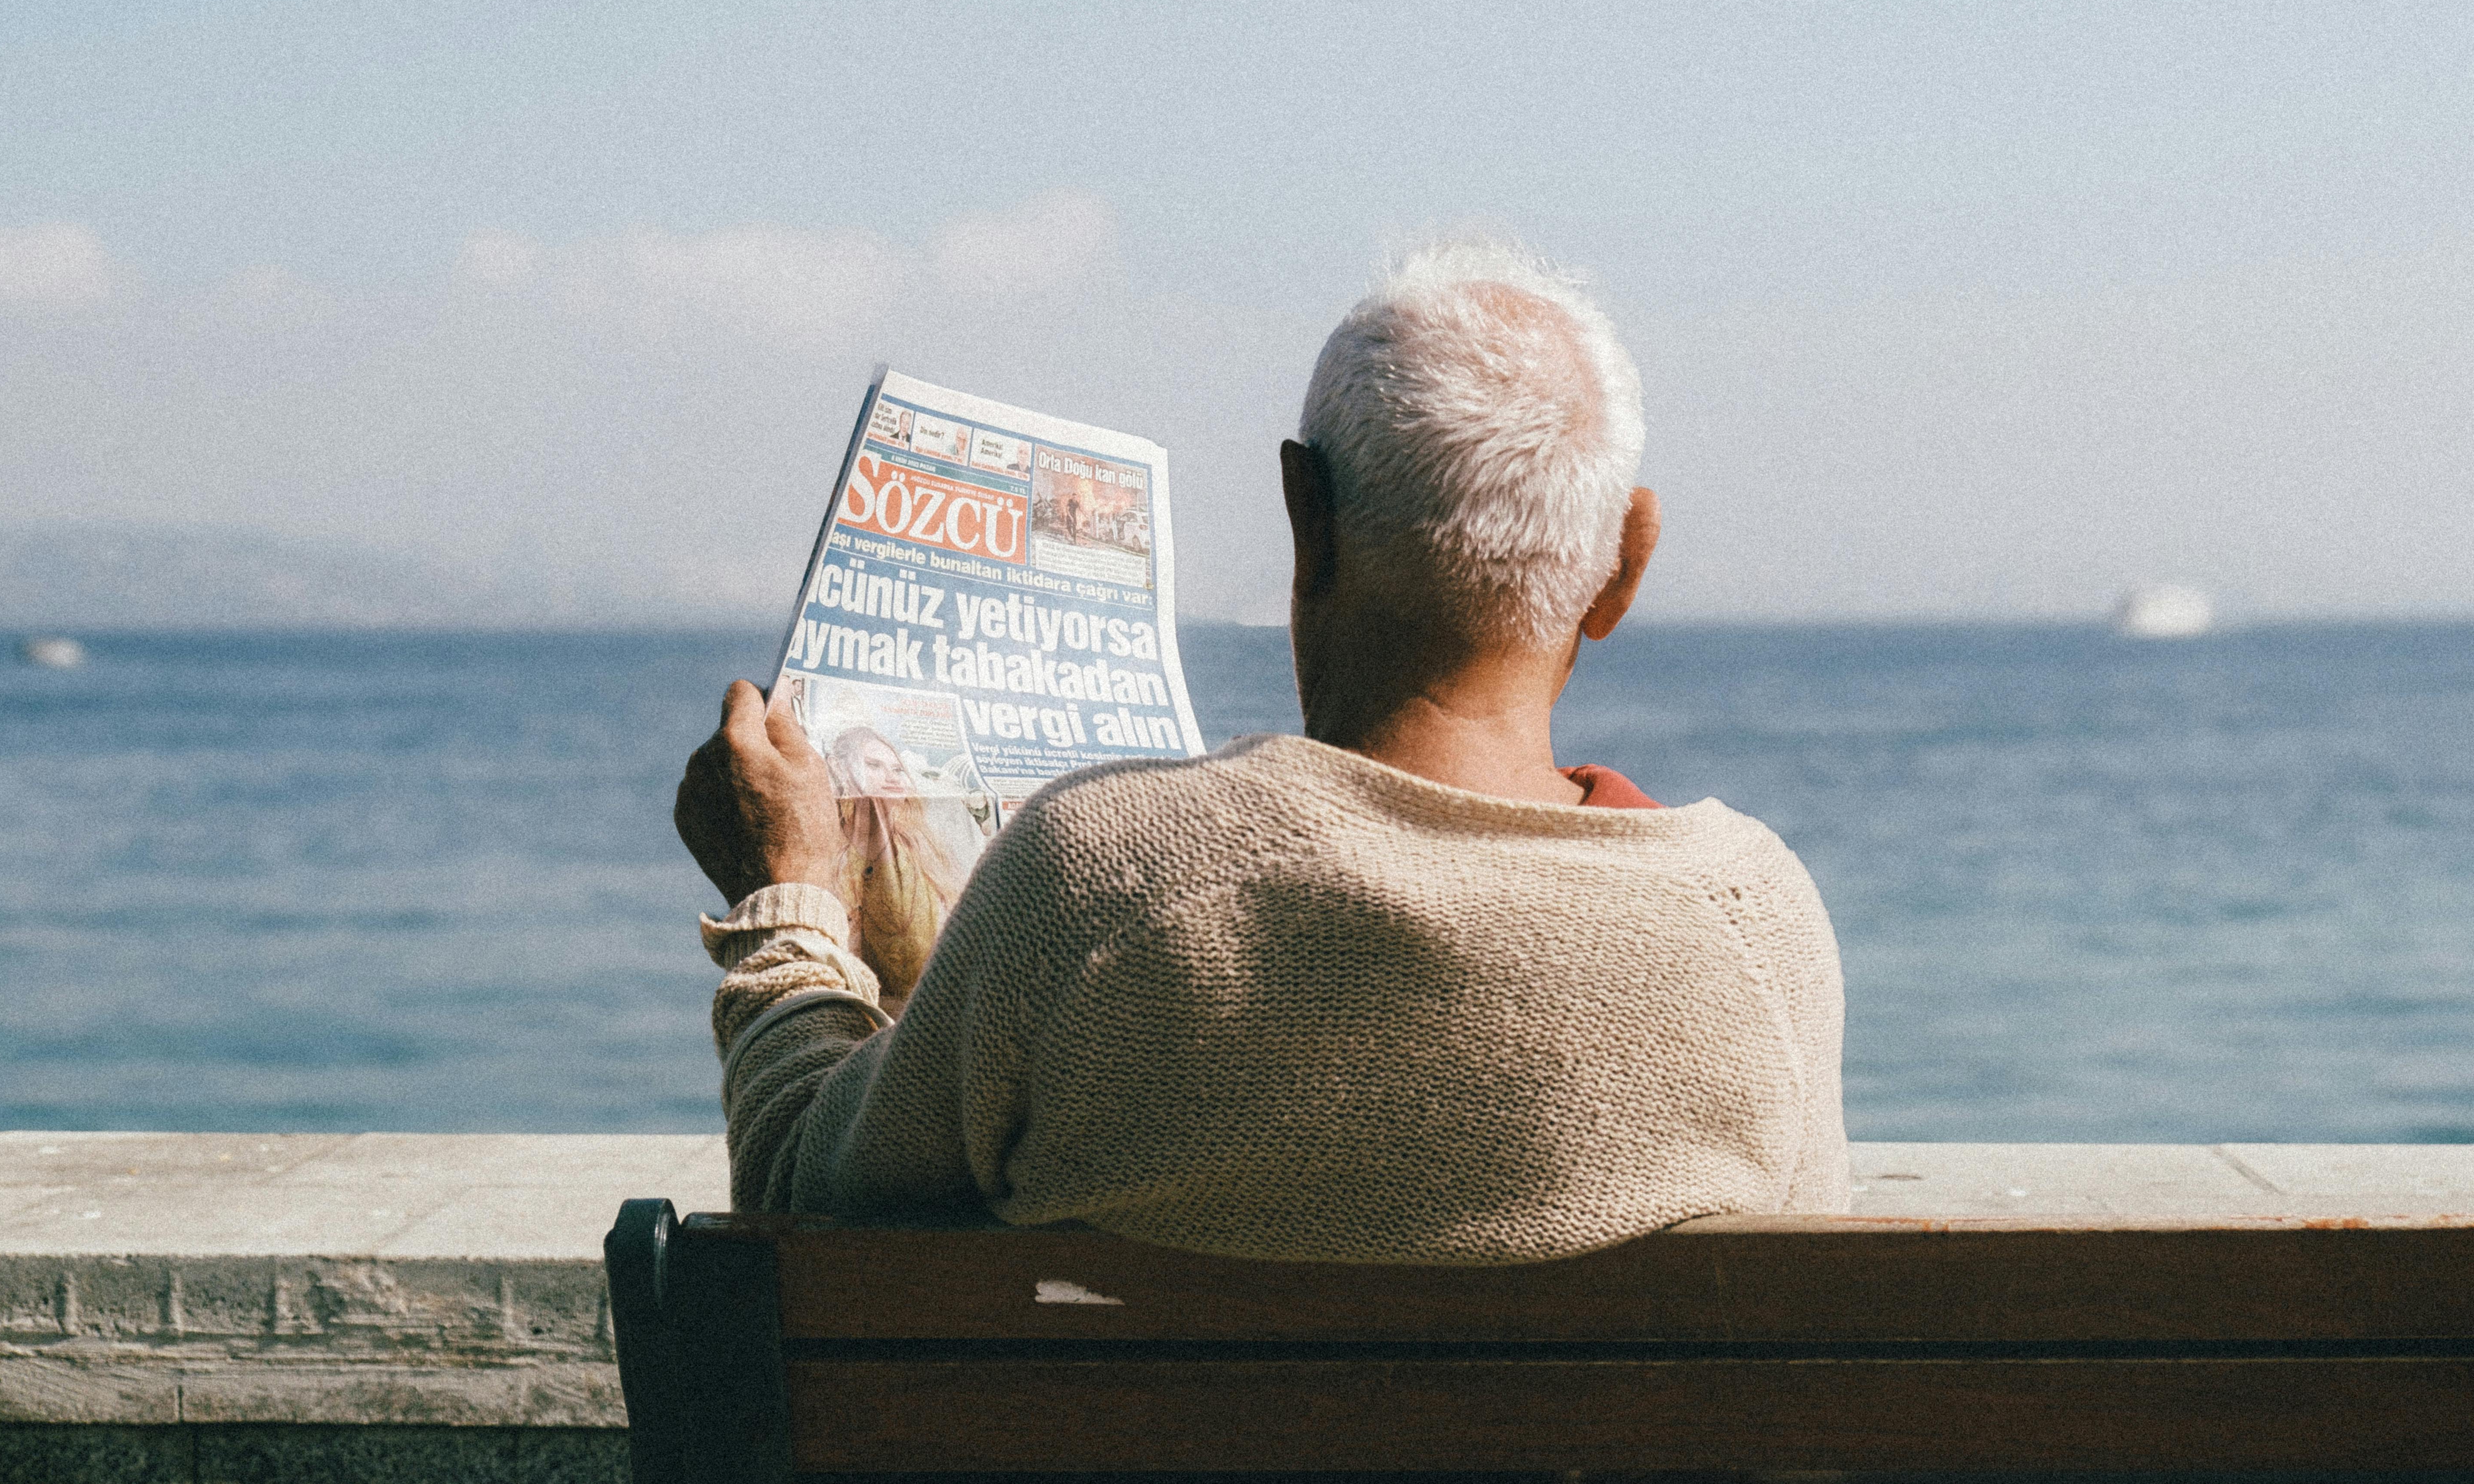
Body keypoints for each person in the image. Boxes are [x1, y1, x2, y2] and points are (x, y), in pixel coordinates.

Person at [674, 240, 1850, 1263]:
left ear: (1306, 514)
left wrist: (790, 899)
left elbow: (801, 1191)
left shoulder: (1089, 888)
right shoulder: (1755, 926)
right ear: (1624, 564)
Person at [819, 725, 968, 1000]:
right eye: (874, 765)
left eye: (898, 770)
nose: (891, 778)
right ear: (838, 768)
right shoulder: (830, 853)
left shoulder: (927, 847)